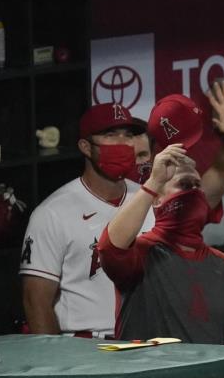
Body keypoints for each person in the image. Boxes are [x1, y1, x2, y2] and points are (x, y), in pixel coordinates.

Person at [97, 82, 224, 345]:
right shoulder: (142, 255)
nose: (192, 194)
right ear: (157, 200)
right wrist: (153, 182)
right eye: (182, 186)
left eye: (196, 186)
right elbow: (109, 249)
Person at [20, 103, 154, 338]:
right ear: (85, 146)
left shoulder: (149, 200)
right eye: (110, 135)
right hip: (85, 348)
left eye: (128, 135)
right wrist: (55, 366)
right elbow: (36, 301)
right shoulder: (52, 213)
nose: (122, 142)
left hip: (147, 341)